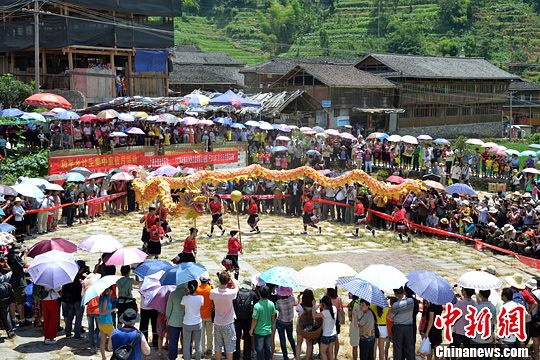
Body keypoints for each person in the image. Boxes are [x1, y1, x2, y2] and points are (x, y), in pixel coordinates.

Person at [210, 271, 239, 360]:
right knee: (229, 349)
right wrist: (232, 279)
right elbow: (237, 288)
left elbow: (214, 293)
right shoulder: (231, 293)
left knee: (218, 348)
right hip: (229, 323)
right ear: (228, 281)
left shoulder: (213, 292)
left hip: (217, 323)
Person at [249, 285, 276, 360]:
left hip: (259, 331)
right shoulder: (271, 304)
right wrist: (271, 324)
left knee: (259, 351)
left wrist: (251, 329)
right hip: (268, 331)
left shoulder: (257, 306)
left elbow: (254, 320)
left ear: (259, 293)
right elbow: (273, 317)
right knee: (268, 349)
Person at [61, 260, 86, 339]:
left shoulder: (68, 276)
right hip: (78, 300)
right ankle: (77, 335)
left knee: (69, 317)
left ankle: (68, 333)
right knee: (78, 318)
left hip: (69, 300)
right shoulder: (81, 278)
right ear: (81, 269)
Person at [389, 287, 415, 360]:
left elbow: (390, 317)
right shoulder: (411, 301)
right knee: (410, 348)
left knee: (398, 348)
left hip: (398, 328)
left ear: (395, 293)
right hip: (409, 327)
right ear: (404, 291)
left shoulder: (396, 305)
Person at [182, 280, 204, 360]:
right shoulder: (201, 298)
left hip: (187, 323)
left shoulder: (185, 298)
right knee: (198, 344)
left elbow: (182, 306)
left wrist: (186, 294)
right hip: (197, 323)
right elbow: (201, 305)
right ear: (196, 287)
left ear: (188, 288)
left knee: (186, 344)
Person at [312, 296, 337, 360]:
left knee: (323, 352)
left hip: (326, 336)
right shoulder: (334, 308)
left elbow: (314, 315)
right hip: (334, 334)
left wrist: (314, 305)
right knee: (330, 352)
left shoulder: (325, 313)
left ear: (324, 304)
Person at [166, 283, 186, 360]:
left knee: (173, 341)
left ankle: (172, 357)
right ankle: (186, 354)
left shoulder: (173, 294)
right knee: (186, 340)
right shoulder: (187, 293)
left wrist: (167, 318)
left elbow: (168, 309)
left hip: (173, 321)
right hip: (185, 320)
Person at [275, 286, 296, 360]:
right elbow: (294, 301)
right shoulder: (292, 299)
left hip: (281, 321)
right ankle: (296, 353)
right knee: (290, 338)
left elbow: (277, 309)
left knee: (282, 339)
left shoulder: (278, 302)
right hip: (289, 321)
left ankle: (285, 357)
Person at [196, 274, 214, 358]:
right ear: (207, 280)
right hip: (209, 315)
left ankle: (202, 350)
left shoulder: (197, 290)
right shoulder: (210, 289)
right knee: (210, 333)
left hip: (200, 315)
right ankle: (209, 349)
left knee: (201, 334)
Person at [99, 287, 117, 360]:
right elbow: (103, 312)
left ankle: (103, 357)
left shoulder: (103, 298)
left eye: (111, 291)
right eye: (108, 291)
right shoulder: (105, 299)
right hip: (107, 323)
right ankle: (115, 356)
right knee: (115, 339)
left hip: (102, 322)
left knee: (103, 341)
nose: (110, 292)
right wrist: (113, 310)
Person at [348, 293, 360, 360]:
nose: (348, 294)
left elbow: (350, 317)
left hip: (354, 326)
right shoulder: (362, 302)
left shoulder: (351, 304)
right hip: (362, 326)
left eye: (350, 293)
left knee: (355, 346)